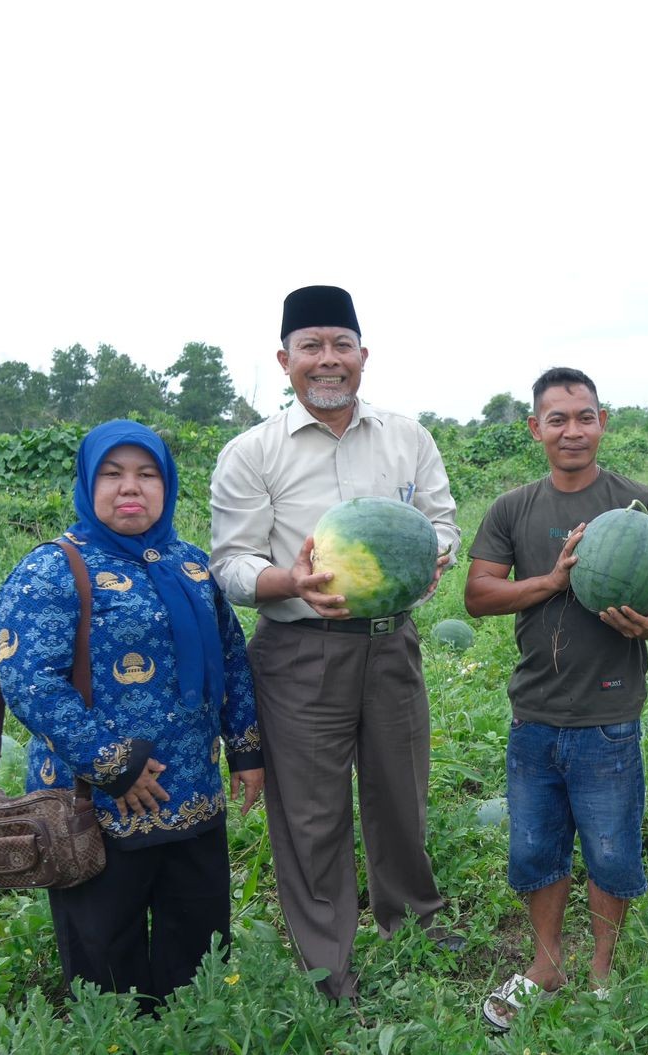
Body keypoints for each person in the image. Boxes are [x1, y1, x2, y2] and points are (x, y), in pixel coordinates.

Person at [208, 285, 462, 1002]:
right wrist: (287, 580)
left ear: (363, 356)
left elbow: (442, 521)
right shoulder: (251, 452)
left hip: (391, 644)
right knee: (312, 813)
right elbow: (229, 563)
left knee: (401, 793)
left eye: (341, 346)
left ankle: (411, 918)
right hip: (299, 652)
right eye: (312, 347)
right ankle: (329, 963)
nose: (328, 361)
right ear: (285, 359)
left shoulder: (407, 437)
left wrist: (431, 555)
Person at [0, 420, 264, 1008]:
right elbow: (29, 680)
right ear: (88, 484)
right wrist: (117, 765)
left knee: (197, 932)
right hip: (95, 802)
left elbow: (232, 657)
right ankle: (118, 1037)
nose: (129, 487)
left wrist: (246, 751)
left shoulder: (192, 566)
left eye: (146, 474)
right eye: (112, 474)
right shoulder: (51, 569)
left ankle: (188, 1029)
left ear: (166, 485)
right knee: (104, 945)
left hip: (192, 788)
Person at [463, 367, 648, 1030]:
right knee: (533, 850)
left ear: (602, 421)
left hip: (608, 716)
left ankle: (604, 968)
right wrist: (554, 580)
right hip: (534, 714)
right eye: (558, 419)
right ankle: (546, 964)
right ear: (536, 429)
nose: (572, 431)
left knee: (611, 850)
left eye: (584, 417)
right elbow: (477, 596)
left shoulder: (639, 503)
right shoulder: (512, 509)